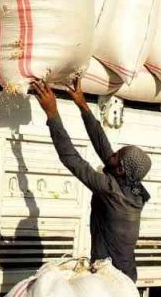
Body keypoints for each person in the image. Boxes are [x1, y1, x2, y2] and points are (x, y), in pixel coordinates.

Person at [32, 79, 152, 282]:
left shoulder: (112, 192)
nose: (110, 154)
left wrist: (52, 114)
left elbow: (72, 159)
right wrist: (82, 105)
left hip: (110, 279)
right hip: (127, 275)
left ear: (120, 169)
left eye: (116, 155)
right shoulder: (133, 188)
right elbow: (102, 145)